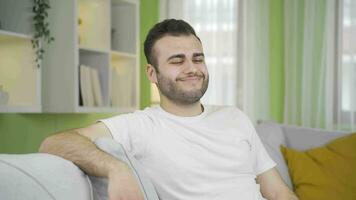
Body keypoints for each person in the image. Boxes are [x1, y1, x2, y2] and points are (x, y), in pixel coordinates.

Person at [40, 19, 298, 200]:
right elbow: (55, 142)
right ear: (152, 73)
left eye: (198, 58)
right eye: (177, 61)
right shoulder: (141, 126)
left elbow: (277, 192)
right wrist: (114, 168)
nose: (192, 68)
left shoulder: (234, 117)